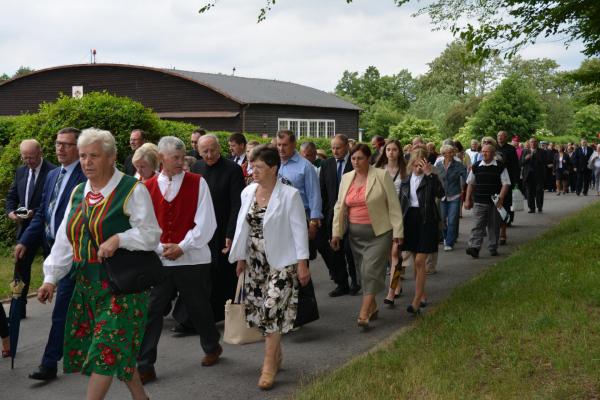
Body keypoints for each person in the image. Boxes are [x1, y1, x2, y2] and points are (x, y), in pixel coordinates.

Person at [37, 128, 161, 400]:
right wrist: (50, 278)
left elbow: (152, 235)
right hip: (88, 287)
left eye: (94, 155)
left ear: (111, 157)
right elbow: (65, 239)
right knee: (118, 350)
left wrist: (119, 238)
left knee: (105, 352)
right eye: (83, 156)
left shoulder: (132, 189)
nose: (86, 162)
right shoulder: (79, 192)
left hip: (123, 288)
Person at [138, 136, 221, 385]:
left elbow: (207, 222)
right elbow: (143, 225)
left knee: (199, 308)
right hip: (160, 260)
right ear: (161, 159)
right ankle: (145, 364)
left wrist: (183, 246)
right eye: (175, 157)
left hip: (192, 258)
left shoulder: (198, 183)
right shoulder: (147, 186)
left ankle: (211, 346)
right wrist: (161, 247)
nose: (181, 161)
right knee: (152, 311)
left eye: (183, 156)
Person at [229, 145, 310, 390]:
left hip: (282, 261)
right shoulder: (248, 192)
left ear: (274, 168)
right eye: (252, 166)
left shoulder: (289, 195)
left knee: (271, 308)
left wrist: (303, 264)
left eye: (260, 167)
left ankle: (268, 366)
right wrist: (241, 257)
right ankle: (276, 352)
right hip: (255, 261)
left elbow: (299, 231)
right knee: (260, 313)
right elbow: (242, 227)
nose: (253, 171)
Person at [15, 128, 87, 381]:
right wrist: (25, 240)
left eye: (67, 145)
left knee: (64, 310)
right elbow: (44, 213)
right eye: (58, 143)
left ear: (79, 148)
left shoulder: (85, 176)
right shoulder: (53, 175)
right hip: (53, 251)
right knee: (70, 309)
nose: (60, 149)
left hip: (78, 254)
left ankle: (49, 363)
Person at [331, 144, 403, 328]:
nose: (356, 162)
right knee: (363, 273)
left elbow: (394, 205)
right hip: (355, 235)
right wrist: (336, 233)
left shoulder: (381, 175)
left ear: (369, 158)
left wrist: (398, 232)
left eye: (360, 158)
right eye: (353, 158)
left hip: (379, 233)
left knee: (371, 270)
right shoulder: (347, 178)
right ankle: (373, 306)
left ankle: (363, 312)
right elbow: (339, 206)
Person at [192, 135, 245, 322]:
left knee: (222, 273)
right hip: (202, 229)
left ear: (219, 148)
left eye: (212, 150)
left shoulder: (233, 169)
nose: (209, 154)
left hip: (223, 228)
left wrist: (231, 233)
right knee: (203, 272)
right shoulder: (196, 168)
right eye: (204, 151)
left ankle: (224, 313)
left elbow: (236, 205)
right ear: (198, 152)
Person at [6, 139, 56, 318]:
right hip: (25, 229)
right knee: (20, 268)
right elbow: (11, 196)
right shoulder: (21, 171)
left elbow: (54, 202)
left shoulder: (53, 172)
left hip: (46, 228)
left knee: (55, 267)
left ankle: (61, 306)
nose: (28, 162)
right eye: (24, 158)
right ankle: (18, 306)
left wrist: (35, 213)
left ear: (40, 153)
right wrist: (11, 212)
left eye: (32, 158)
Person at [399, 147, 444, 314]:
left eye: (422, 165)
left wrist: (429, 174)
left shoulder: (431, 177)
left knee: (419, 261)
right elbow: (401, 204)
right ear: (411, 164)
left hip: (427, 220)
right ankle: (421, 293)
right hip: (410, 220)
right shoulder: (406, 180)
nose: (418, 168)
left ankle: (416, 301)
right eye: (416, 165)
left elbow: (441, 193)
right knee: (414, 260)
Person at [319, 134, 358, 297]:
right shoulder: (326, 164)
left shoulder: (355, 162)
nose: (335, 151)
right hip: (332, 214)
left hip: (352, 213)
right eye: (332, 148)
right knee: (335, 251)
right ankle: (342, 283)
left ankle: (356, 281)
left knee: (350, 250)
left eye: (338, 147)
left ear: (346, 147)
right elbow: (323, 191)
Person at [276, 130, 322, 250]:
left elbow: (314, 195)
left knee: (299, 259)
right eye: (279, 144)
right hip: (277, 219)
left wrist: (313, 222)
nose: (281, 148)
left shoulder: (306, 166)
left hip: (299, 219)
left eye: (285, 145)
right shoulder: (273, 163)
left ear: (294, 144)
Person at [374, 140, 407, 305]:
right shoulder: (378, 170)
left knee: (395, 254)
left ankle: (391, 291)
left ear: (399, 152)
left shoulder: (404, 171)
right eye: (388, 149)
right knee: (390, 255)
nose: (391, 152)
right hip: (382, 215)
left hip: (399, 215)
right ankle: (398, 282)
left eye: (394, 149)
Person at [465, 143, 511, 258]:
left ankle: (493, 247)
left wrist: (500, 198)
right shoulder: (476, 166)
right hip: (479, 200)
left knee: (493, 226)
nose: (484, 153)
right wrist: (467, 199)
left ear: (493, 153)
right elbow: (470, 184)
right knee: (477, 225)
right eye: (483, 151)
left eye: (487, 151)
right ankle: (474, 247)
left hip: (494, 202)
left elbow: (506, 184)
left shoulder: (500, 166)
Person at [435, 144, 467, 252]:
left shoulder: (458, 165)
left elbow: (466, 176)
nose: (450, 154)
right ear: (443, 154)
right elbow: (434, 178)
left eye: (451, 152)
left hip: (455, 195)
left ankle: (449, 242)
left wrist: (465, 187)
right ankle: (446, 237)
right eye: (447, 153)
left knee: (452, 220)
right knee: (443, 220)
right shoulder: (438, 165)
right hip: (442, 196)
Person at [496, 130, 520, 244]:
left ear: (506, 137)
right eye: (498, 136)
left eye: (502, 136)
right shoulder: (493, 148)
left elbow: (515, 165)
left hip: (508, 179)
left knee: (507, 203)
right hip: (495, 181)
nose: (500, 137)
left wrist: (516, 181)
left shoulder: (511, 149)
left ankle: (505, 225)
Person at [521, 138, 547, 213]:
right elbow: (521, 163)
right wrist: (526, 158)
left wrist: (535, 155)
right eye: (532, 142)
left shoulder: (542, 151)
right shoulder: (525, 151)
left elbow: (545, 162)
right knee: (529, 192)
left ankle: (539, 206)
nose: (533, 143)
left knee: (539, 191)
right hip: (529, 175)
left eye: (535, 142)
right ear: (529, 143)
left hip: (539, 174)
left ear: (537, 143)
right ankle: (531, 208)